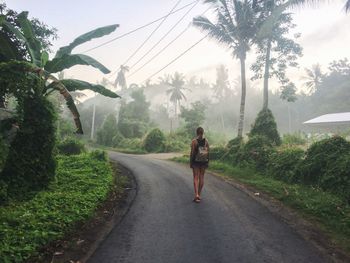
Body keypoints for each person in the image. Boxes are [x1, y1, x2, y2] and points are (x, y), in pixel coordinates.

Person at [190, 127, 209, 203]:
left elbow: (192, 153)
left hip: (196, 162)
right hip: (204, 161)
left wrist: (191, 162)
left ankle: (196, 194)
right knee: (202, 177)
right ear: (203, 132)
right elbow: (208, 152)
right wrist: (207, 162)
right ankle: (199, 194)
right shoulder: (206, 141)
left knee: (195, 177)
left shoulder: (194, 141)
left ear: (196, 132)